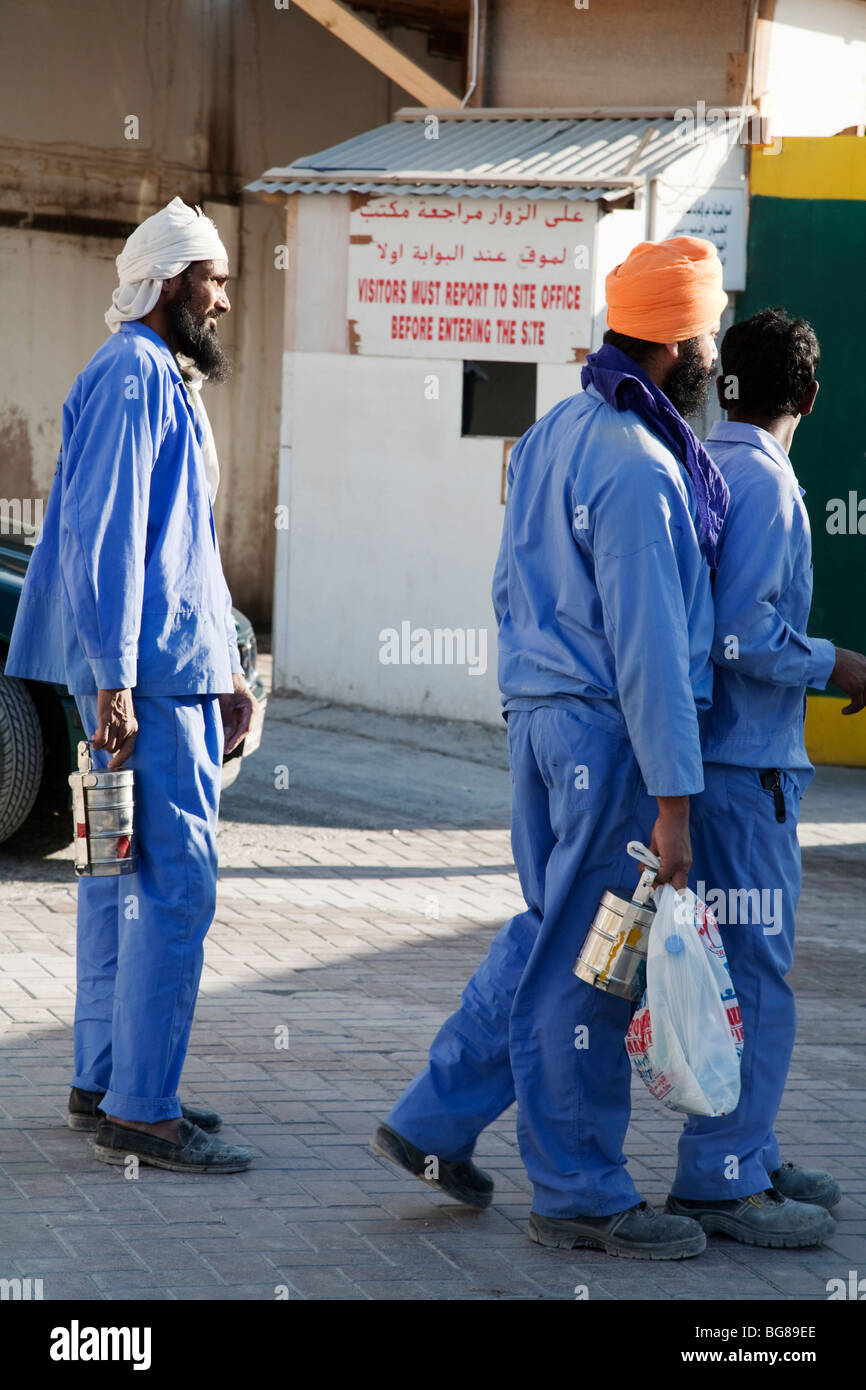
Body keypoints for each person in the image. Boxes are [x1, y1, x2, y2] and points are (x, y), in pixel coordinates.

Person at [372, 237, 731, 1259]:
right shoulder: (638, 464)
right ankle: (577, 1190)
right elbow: (650, 649)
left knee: (551, 931)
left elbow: (504, 589)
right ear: (677, 343)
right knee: (591, 965)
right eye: (703, 329)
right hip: (607, 738)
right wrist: (673, 797)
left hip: (539, 721)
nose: (708, 350)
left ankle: (435, 1120)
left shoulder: (550, 437)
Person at [6, 197, 257, 1174]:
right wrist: (111, 680)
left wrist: (230, 671)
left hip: (172, 674)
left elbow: (186, 543)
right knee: (173, 883)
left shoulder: (162, 377)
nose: (226, 300)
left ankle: (107, 1076)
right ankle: (143, 1108)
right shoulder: (133, 378)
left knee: (115, 879)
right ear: (166, 282)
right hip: (147, 686)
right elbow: (105, 538)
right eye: (215, 278)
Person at [665, 307, 866, 1243]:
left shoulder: (711, 464)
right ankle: (723, 1175)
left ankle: (752, 1148)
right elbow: (741, 635)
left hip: (709, 764)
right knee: (756, 975)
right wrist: (837, 664)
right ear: (810, 397)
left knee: (718, 972)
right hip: (748, 773)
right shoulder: (770, 486)